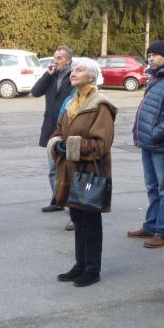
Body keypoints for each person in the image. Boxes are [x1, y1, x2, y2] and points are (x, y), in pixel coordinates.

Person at [48, 58, 117, 287]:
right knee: (78, 218)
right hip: (70, 171)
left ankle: (92, 269)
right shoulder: (72, 103)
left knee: (90, 221)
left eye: (79, 70)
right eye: (73, 69)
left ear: (91, 77)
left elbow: (101, 144)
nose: (73, 72)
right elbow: (58, 132)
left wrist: (69, 146)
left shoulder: (100, 106)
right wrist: (57, 144)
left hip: (89, 172)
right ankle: (80, 265)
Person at [128, 40, 164, 248]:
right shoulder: (155, 78)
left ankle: (163, 232)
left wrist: (155, 134)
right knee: (152, 188)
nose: (150, 58)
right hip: (149, 144)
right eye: (149, 55)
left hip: (161, 145)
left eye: (154, 55)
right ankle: (151, 226)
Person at [31, 45, 73, 214]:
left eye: (59, 58)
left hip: (69, 129)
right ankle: (57, 201)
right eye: (54, 58)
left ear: (68, 60)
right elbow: (35, 92)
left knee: (70, 168)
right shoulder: (52, 76)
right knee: (53, 168)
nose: (55, 61)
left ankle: (74, 205)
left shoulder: (74, 76)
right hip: (51, 129)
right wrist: (47, 74)